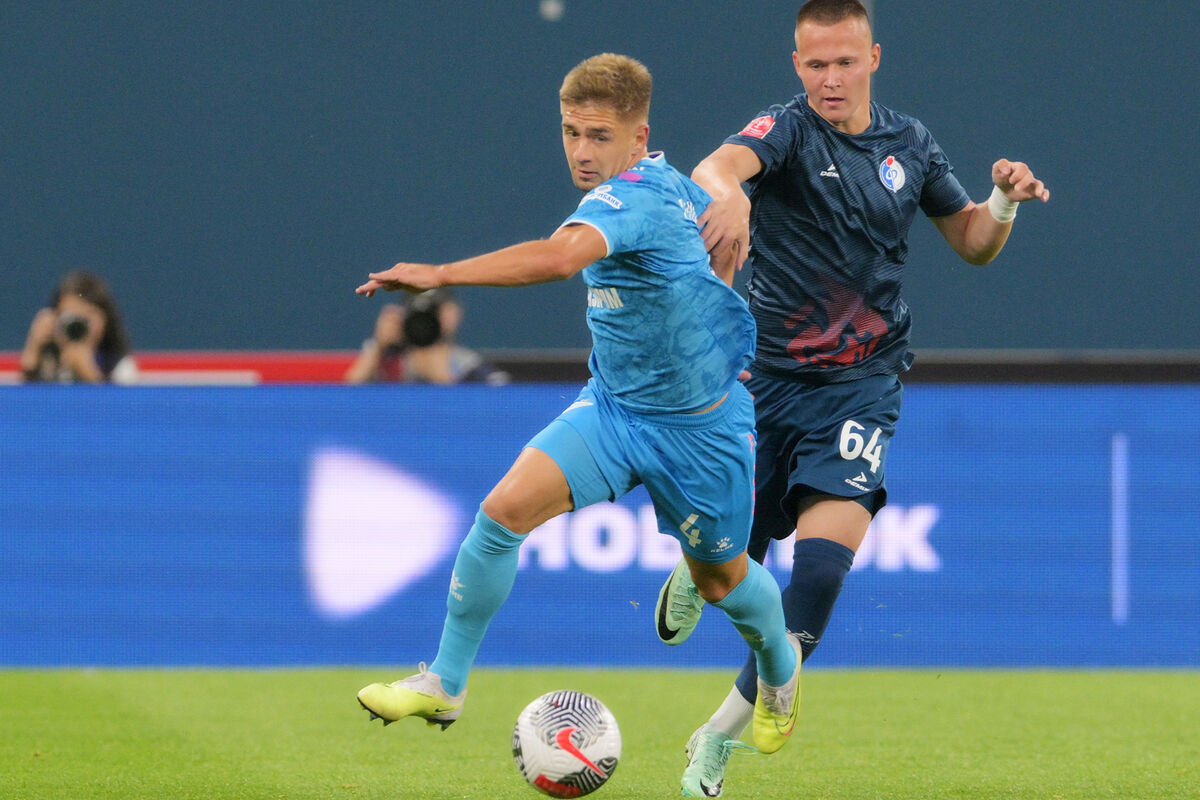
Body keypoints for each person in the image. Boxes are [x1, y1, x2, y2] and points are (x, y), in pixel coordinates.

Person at [353, 52, 802, 759]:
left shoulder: (635, 198)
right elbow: (711, 266)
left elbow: (558, 260)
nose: (581, 151)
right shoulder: (673, 192)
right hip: (616, 412)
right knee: (501, 514)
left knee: (723, 583)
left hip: (699, 434)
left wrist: (437, 274)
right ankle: (445, 681)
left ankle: (778, 664)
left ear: (638, 137)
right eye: (570, 133)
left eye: (599, 136)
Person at [653, 1, 1051, 795]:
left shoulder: (912, 145)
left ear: (873, 58)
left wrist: (1003, 200)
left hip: (861, 387)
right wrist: (728, 193)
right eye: (815, 64)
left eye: (844, 62)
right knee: (730, 565)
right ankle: (702, 567)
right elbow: (716, 167)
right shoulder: (787, 131)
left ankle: (718, 738)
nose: (830, 78)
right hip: (764, 384)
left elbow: (973, 242)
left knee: (818, 578)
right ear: (796, 65)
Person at [344, 289, 510, 385]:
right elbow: (347, 399)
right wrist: (378, 345)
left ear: (453, 312)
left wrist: (443, 379)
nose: (425, 321)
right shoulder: (388, 360)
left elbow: (498, 408)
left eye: (434, 311)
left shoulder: (469, 366)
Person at [20, 270, 138, 384]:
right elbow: (25, 395)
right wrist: (32, 352)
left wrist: (91, 375)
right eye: (70, 316)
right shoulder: (48, 361)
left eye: (87, 316)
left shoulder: (119, 366)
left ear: (105, 318)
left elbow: (120, 397)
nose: (77, 327)